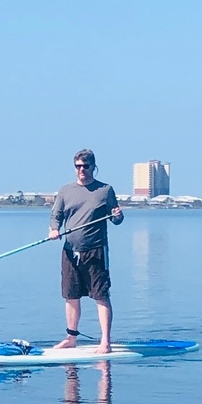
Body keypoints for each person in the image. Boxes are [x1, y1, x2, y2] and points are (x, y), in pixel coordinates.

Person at [49, 147, 126, 351]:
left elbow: (116, 218)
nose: (81, 170)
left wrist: (117, 215)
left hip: (96, 251)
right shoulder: (66, 190)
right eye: (78, 166)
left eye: (85, 166)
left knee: (101, 295)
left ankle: (105, 342)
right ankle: (71, 338)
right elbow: (56, 216)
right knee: (71, 295)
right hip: (70, 251)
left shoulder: (105, 190)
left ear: (93, 166)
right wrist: (54, 230)